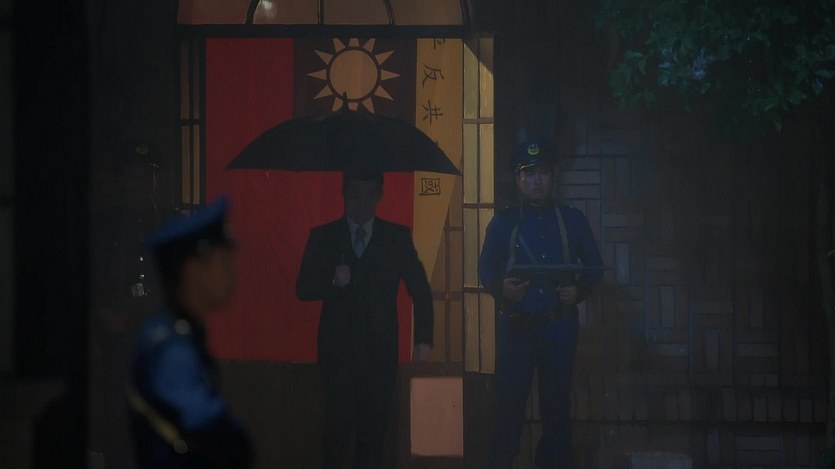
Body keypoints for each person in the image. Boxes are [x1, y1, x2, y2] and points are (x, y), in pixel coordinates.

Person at [479, 139, 604, 469]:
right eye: (529, 174)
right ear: (518, 179)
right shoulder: (504, 223)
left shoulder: (572, 219)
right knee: (508, 407)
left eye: (543, 173)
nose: (537, 181)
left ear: (553, 177)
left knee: (556, 408)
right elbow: (485, 271)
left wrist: (578, 291)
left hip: (558, 326)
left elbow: (595, 267)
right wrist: (503, 289)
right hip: (516, 328)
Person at [296, 170, 434, 469]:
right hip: (337, 353)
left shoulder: (396, 237)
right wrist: (332, 280)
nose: (361, 202)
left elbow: (421, 290)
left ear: (379, 196)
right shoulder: (324, 236)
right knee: (336, 433)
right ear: (344, 194)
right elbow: (303, 288)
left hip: (380, 354)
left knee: (373, 437)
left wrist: (424, 340)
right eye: (355, 194)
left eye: (369, 194)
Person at [128, 195, 253, 469]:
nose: (233, 271)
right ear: (194, 271)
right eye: (223, 261)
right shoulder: (171, 349)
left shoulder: (181, 335)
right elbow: (209, 429)